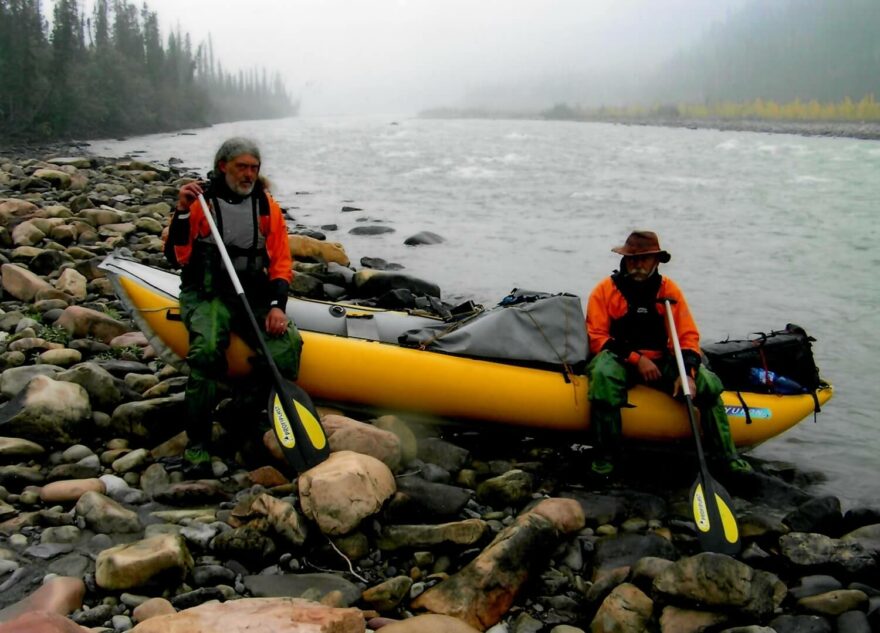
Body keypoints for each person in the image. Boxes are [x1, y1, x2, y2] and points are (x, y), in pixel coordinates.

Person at [164, 137, 302, 472]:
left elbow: (281, 262)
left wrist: (276, 306)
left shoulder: (265, 206)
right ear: (223, 166)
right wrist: (182, 212)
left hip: (251, 294)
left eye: (254, 168)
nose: (248, 175)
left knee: (285, 350)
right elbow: (176, 256)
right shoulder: (201, 204)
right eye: (242, 167)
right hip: (208, 292)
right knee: (208, 351)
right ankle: (197, 445)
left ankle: (238, 414)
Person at [585, 230, 751, 477]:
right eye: (632, 259)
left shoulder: (669, 292)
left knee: (709, 384)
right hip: (622, 359)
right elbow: (597, 338)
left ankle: (727, 457)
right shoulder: (605, 290)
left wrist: (689, 374)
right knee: (602, 374)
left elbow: (687, 337)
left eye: (644, 258)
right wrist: (637, 360)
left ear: (656, 261)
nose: (637, 264)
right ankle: (606, 457)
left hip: (661, 360)